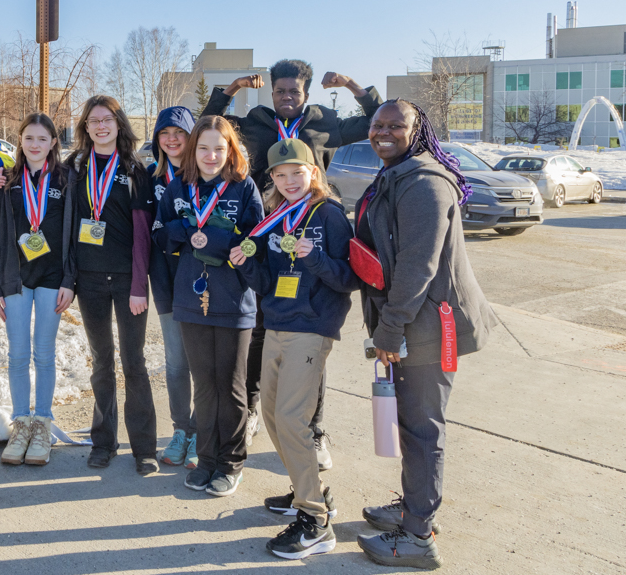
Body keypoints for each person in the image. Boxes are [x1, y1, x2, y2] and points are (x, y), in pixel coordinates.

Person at [204, 60, 382, 468]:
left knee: (308, 341)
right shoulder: (255, 123)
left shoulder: (326, 125)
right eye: (281, 92)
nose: (287, 98)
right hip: (268, 226)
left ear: (307, 94)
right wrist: (231, 86)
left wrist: (352, 84)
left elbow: (376, 120)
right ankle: (251, 410)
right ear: (272, 94)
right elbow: (209, 123)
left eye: (295, 93)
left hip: (312, 230)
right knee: (261, 330)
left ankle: (314, 430)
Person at [353, 100, 495, 569]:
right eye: (378, 125)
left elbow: (418, 265)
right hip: (411, 322)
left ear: (418, 131)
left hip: (431, 327)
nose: (384, 132)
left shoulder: (425, 183)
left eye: (396, 125)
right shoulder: (398, 173)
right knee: (411, 427)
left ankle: (417, 537)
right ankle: (414, 508)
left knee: (422, 428)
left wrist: (389, 330)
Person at [231, 138, 358, 559]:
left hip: (311, 328)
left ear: (313, 173)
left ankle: (315, 522)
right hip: (278, 325)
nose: (288, 181)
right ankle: (309, 490)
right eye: (280, 175)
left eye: (296, 173)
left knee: (291, 418)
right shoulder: (275, 219)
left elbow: (349, 279)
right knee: (270, 414)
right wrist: (245, 264)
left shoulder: (330, 216)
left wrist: (317, 258)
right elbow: (267, 282)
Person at [153, 115, 262, 498]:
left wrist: (219, 238)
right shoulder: (179, 187)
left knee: (230, 387)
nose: (211, 155)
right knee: (204, 385)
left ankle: (231, 464)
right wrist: (185, 232)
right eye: (203, 148)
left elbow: (256, 238)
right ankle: (207, 458)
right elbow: (160, 234)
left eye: (219, 148)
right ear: (192, 150)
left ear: (230, 150)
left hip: (233, 300)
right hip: (190, 299)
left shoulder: (243, 187)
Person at [66, 96, 158, 475]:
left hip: (126, 281)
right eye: (93, 120)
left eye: (107, 119)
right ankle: (103, 442)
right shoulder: (74, 168)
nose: (100, 126)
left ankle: (145, 449)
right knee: (101, 362)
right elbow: (67, 228)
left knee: (133, 362)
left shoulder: (136, 170)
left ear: (119, 124)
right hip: (88, 280)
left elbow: (141, 235)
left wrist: (139, 285)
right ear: (85, 127)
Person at [0, 113, 76, 466]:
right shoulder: (7, 181)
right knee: (18, 354)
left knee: (44, 353)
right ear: (20, 141)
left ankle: (43, 424)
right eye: (29, 138)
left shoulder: (67, 180)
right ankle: (21, 423)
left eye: (43, 138)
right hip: (16, 279)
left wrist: (70, 280)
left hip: (53, 280)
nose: (35, 145)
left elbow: (73, 238)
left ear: (54, 142)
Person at [146, 106, 199, 470]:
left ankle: (203, 432)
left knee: (203, 362)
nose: (172, 138)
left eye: (179, 131)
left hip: (202, 280)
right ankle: (181, 429)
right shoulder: (149, 176)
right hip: (164, 278)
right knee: (177, 362)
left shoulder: (207, 175)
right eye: (164, 132)